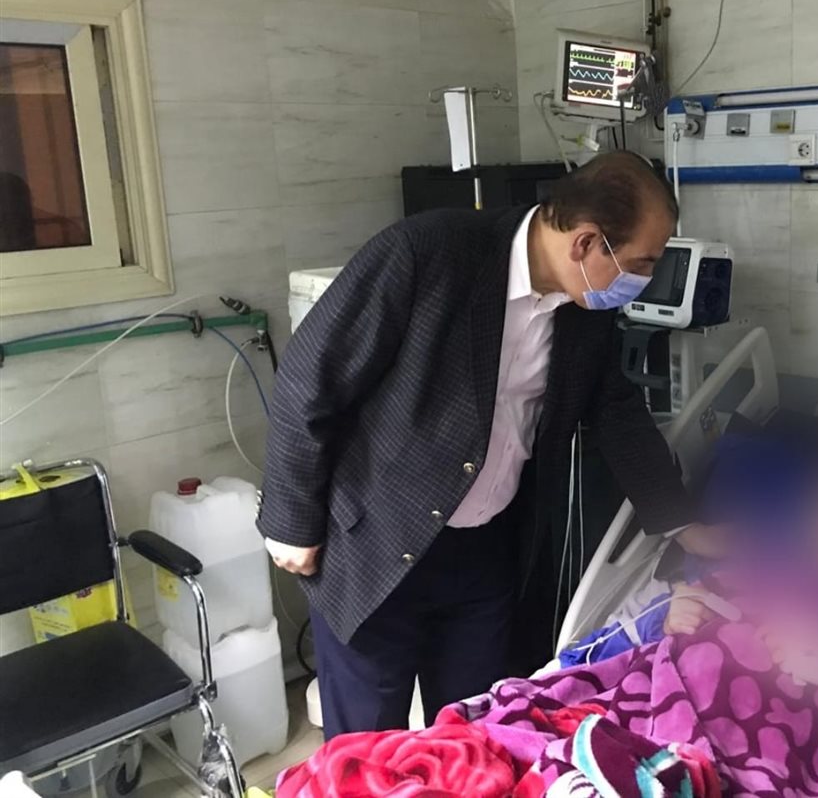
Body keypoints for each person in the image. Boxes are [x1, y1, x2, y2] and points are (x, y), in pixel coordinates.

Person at [258, 151, 725, 738]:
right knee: (368, 748)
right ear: (586, 243)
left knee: (476, 731)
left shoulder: (584, 307)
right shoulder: (429, 254)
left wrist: (681, 521)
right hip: (378, 542)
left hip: (486, 554)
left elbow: (616, 410)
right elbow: (310, 378)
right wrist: (293, 522)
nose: (643, 281)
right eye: (640, 264)